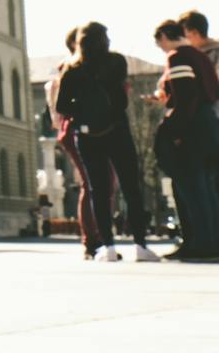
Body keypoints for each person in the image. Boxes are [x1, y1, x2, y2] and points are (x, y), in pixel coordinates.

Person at [56, 22, 161, 262]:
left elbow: (62, 106)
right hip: (117, 131)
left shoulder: (72, 69)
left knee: (98, 191)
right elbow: (122, 100)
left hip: (86, 136)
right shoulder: (116, 62)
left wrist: (82, 112)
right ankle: (140, 245)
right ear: (103, 40)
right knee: (131, 188)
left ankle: (108, 247)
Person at [153, 19, 219, 262]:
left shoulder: (177, 57)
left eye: (160, 44)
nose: (162, 49)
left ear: (166, 36)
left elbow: (186, 97)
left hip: (192, 130)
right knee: (206, 190)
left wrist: (171, 131)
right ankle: (214, 243)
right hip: (209, 127)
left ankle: (200, 244)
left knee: (191, 189)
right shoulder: (200, 57)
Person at [48, 27, 98, 260]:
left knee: (95, 183)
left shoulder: (81, 65)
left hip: (77, 128)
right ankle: (92, 240)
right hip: (77, 128)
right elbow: (61, 105)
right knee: (91, 183)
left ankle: (95, 237)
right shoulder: (70, 66)